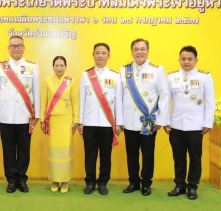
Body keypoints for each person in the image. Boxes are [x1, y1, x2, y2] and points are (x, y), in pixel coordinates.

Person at [0, 36, 40, 193]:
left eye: (19, 46)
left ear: (24, 47)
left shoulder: (32, 66)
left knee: (25, 149)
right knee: (8, 149)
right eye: (13, 46)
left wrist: (37, 113)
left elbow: (36, 90)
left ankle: (22, 179)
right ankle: (11, 180)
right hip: (5, 115)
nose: (16, 48)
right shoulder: (0, 66)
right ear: (8, 48)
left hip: (25, 115)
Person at [164, 46, 215, 200]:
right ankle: (179, 184)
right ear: (179, 59)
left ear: (196, 60)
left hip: (196, 125)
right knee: (178, 157)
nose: (186, 62)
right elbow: (166, 101)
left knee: (195, 157)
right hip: (176, 125)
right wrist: (166, 121)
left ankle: (192, 186)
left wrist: (208, 122)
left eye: (190, 59)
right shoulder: (171, 77)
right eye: (183, 58)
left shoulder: (205, 77)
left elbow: (210, 101)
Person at [121, 38, 169, 196]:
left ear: (147, 51)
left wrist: (161, 120)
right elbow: (120, 97)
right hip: (129, 121)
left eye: (142, 49)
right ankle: (133, 182)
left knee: (148, 153)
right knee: (132, 154)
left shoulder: (157, 69)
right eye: (136, 49)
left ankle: (146, 183)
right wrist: (120, 121)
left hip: (149, 122)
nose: (139, 52)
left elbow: (164, 95)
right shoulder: (124, 70)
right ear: (132, 51)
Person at [78, 43, 123, 195]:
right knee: (90, 154)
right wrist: (81, 122)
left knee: (106, 155)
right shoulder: (86, 75)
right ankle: (90, 182)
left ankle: (103, 182)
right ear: (93, 55)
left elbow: (119, 102)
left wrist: (118, 123)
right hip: (89, 122)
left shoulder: (116, 76)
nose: (100, 56)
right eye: (97, 53)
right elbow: (81, 100)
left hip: (107, 123)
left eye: (103, 53)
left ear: (108, 55)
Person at [40, 56, 79, 194]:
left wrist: (76, 121)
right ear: (53, 67)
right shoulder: (47, 81)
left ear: (65, 67)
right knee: (54, 151)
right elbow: (43, 101)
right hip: (52, 121)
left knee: (66, 151)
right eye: (57, 65)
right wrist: (42, 120)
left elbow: (76, 101)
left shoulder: (71, 81)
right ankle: (55, 180)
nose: (59, 68)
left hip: (67, 120)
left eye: (62, 65)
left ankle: (65, 180)